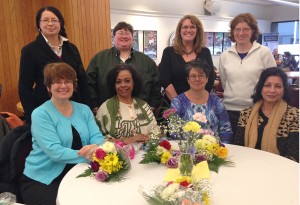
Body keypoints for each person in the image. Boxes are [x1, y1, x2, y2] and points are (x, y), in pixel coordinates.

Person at [20, 63, 104, 205]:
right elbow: (55, 152)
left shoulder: (84, 110)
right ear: (48, 87)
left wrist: (95, 146)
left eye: (67, 81)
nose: (63, 85)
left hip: (77, 171)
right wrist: (89, 155)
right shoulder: (41, 114)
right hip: (43, 179)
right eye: (57, 82)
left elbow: (97, 137)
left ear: (73, 85)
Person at [18, 6, 90, 124]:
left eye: (54, 20)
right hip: (46, 110)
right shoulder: (30, 50)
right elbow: (24, 88)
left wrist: (88, 109)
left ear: (60, 23)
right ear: (39, 24)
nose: (50, 23)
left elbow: (82, 80)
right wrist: (33, 118)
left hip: (74, 108)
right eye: (45, 20)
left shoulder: (72, 49)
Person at [219, 13, 276, 139]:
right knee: (230, 149)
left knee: (252, 149)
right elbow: (224, 82)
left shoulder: (264, 53)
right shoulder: (225, 55)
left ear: (253, 31)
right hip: (229, 111)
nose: (241, 33)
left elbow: (273, 81)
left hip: (256, 110)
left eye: (246, 29)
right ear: (233, 32)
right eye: (237, 29)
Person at [86, 22, 161, 115]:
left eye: (127, 33)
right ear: (113, 37)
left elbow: (156, 85)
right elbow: (89, 83)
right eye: (120, 33)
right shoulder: (99, 58)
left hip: (140, 114)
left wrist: (152, 106)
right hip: (107, 114)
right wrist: (94, 106)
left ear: (132, 38)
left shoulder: (146, 61)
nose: (124, 36)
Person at [234, 67, 299, 162]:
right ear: (260, 88)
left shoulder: (295, 115)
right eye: (267, 85)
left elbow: (294, 154)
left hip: (280, 169)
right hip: (248, 164)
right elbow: (239, 146)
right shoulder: (246, 113)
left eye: (278, 86)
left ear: (284, 89)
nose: (272, 90)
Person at [171, 60, 232, 143]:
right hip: (187, 151)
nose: (197, 79)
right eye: (193, 76)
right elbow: (173, 131)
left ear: (207, 79)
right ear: (188, 79)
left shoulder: (217, 102)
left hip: (214, 150)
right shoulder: (178, 102)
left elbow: (226, 129)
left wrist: (223, 148)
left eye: (201, 75)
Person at [96, 64, 158, 145]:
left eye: (127, 81)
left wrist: (149, 138)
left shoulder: (144, 106)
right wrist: (124, 141)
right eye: (118, 82)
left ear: (134, 83)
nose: (123, 85)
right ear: (113, 85)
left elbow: (156, 131)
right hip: (116, 156)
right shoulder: (105, 108)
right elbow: (97, 139)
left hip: (146, 155)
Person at [159, 14, 215, 102]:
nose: (188, 30)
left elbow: (210, 78)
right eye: (185, 27)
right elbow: (165, 81)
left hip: (199, 104)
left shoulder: (205, 52)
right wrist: (180, 104)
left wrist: (198, 101)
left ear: (197, 30)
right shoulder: (168, 52)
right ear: (179, 31)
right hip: (173, 105)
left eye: (192, 27)